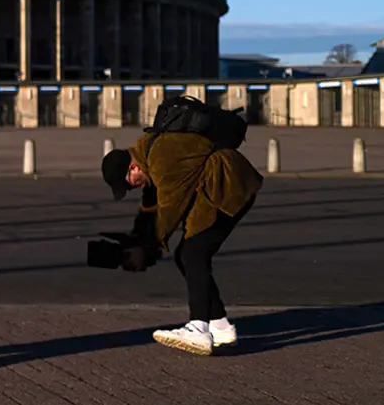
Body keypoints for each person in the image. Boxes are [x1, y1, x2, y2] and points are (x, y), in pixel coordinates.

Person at [101, 107, 263, 355]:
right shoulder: (148, 156)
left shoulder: (162, 156)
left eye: (128, 184)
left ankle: (198, 328)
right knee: (187, 254)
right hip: (216, 189)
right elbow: (150, 206)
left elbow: (170, 208)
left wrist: (147, 249)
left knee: (192, 254)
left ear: (133, 167)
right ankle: (220, 326)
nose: (132, 189)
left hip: (228, 186)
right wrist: (137, 241)